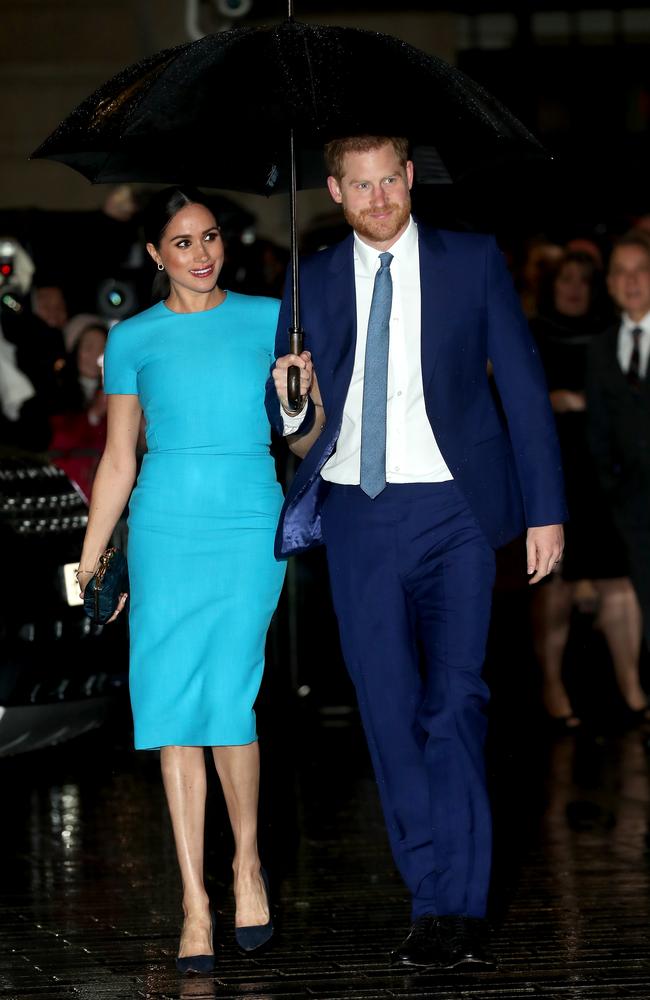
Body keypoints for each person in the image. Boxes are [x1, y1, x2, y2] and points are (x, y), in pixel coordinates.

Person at [266, 135, 566, 971]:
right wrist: (294, 407)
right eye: (357, 186)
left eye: (387, 180)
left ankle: (456, 908)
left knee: (457, 702)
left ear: (408, 178)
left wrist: (545, 511)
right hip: (361, 518)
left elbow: (525, 387)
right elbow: (302, 441)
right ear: (335, 188)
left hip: (458, 512)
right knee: (389, 710)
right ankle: (427, 889)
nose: (376, 198)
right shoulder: (310, 280)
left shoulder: (471, 261)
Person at [76, 187, 285, 972]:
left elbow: (310, 439)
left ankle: (247, 863)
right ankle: (196, 901)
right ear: (156, 255)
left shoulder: (271, 319)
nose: (201, 253)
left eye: (209, 237)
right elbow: (119, 459)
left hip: (246, 527)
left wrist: (301, 406)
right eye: (182, 242)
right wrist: (94, 556)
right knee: (170, 710)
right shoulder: (132, 339)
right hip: (165, 531)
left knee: (229, 696)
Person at [530, 252, 645, 729]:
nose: (574, 289)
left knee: (619, 579)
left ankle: (632, 687)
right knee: (556, 581)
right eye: (565, 280)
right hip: (556, 470)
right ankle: (553, 686)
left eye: (584, 280)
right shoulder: (533, 333)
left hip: (605, 472)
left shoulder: (611, 332)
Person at [586, 230, 650, 661]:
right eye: (621, 272)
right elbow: (600, 431)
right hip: (637, 510)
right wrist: (618, 496)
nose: (631, 281)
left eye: (642, 270)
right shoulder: (601, 348)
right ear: (608, 283)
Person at [49, 320, 109, 501]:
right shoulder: (56, 391)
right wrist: (93, 415)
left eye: (102, 348)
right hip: (68, 493)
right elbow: (57, 443)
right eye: (88, 347)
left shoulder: (117, 392)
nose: (95, 355)